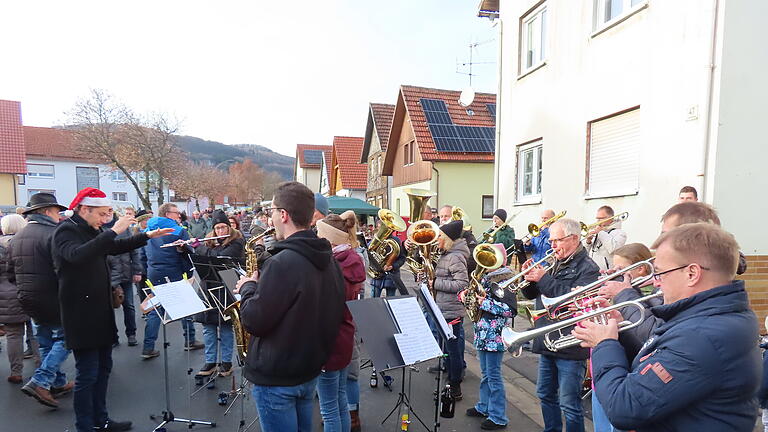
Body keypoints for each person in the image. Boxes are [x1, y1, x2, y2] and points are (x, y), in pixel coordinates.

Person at [573, 223, 760, 431]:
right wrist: (619, 329)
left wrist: (604, 344)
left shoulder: (700, 336)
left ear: (692, 274)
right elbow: (660, 359)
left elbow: (624, 407)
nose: (656, 282)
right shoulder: (710, 316)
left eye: (661, 273)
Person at [53, 187, 173, 432]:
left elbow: (114, 247)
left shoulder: (92, 230)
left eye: (109, 214)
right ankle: (85, 426)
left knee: (104, 368)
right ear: (84, 209)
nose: (106, 220)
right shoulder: (66, 230)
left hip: (100, 310)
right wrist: (112, 232)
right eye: (102, 214)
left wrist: (147, 235)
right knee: (87, 374)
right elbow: (76, 256)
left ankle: (101, 420)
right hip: (80, 314)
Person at [236, 182, 346, 432]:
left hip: (277, 378)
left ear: (283, 214)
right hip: (308, 373)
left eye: (273, 211)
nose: (271, 217)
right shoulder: (330, 260)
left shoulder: (282, 264)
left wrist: (248, 288)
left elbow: (254, 321)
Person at [520, 218, 601, 432]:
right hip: (549, 339)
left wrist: (544, 278)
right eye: (551, 241)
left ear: (574, 238)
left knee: (570, 404)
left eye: (557, 240)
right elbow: (533, 294)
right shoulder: (555, 263)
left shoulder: (589, 268)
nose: (552, 246)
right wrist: (530, 278)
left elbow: (576, 301)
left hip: (571, 344)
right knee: (545, 394)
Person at [13, 193, 73, 407]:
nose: (60, 215)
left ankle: (57, 382)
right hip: (53, 296)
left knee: (46, 340)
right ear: (47, 211)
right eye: (58, 211)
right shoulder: (55, 234)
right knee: (69, 337)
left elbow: (12, 272)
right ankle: (40, 381)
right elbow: (63, 270)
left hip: (28, 298)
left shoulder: (18, 236)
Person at [315, 212, 366, 432]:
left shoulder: (332, 266)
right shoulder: (353, 260)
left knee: (329, 410)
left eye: (318, 233)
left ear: (329, 239)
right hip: (345, 336)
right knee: (340, 403)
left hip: (328, 341)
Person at [144, 203, 202, 353]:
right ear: (168, 214)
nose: (179, 216)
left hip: (154, 272)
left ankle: (148, 346)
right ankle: (190, 339)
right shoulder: (178, 230)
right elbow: (187, 253)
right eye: (176, 213)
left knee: (156, 308)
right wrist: (189, 272)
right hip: (173, 272)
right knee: (185, 304)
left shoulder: (146, 231)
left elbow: (142, 255)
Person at [193, 210, 244, 377]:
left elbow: (218, 257)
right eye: (217, 228)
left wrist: (197, 247)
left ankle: (226, 362)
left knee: (226, 327)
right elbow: (202, 256)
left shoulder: (236, 243)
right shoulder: (209, 243)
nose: (221, 231)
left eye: (223, 227)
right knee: (208, 327)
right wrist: (184, 247)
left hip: (227, 286)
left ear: (229, 228)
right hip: (208, 287)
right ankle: (210, 362)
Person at [461, 273, 516, 430]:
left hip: (495, 337)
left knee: (493, 376)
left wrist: (485, 303)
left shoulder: (506, 282)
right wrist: (465, 296)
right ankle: (484, 407)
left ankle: (498, 417)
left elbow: (510, 311)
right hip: (482, 334)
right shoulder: (484, 278)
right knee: (486, 374)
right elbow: (473, 299)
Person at [432, 219, 470, 400]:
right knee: (447, 348)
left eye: (440, 236)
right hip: (443, 308)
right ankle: (450, 379)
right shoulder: (447, 254)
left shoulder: (455, 257)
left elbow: (462, 284)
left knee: (453, 350)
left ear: (447, 239)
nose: (437, 239)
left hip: (452, 310)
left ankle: (455, 385)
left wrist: (435, 283)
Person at [0, 214, 40, 385]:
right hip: (30, 291)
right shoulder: (27, 243)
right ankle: (41, 368)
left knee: (13, 335)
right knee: (35, 331)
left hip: (5, 295)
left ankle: (16, 371)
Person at [107, 207, 142, 347]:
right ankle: (113, 336)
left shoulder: (123, 227)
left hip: (125, 272)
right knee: (108, 308)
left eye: (109, 212)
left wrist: (137, 271)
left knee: (129, 305)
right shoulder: (97, 229)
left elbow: (134, 250)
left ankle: (131, 334)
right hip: (108, 276)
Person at [369, 222, 407, 298]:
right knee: (373, 303)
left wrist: (392, 266)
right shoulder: (375, 240)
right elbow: (368, 253)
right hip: (377, 276)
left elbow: (402, 258)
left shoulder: (396, 241)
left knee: (391, 302)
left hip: (392, 276)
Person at [585, 205, 627, 271]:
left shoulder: (620, 233)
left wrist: (600, 232)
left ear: (611, 218)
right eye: (597, 218)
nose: (598, 221)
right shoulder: (599, 231)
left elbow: (613, 249)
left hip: (608, 273)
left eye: (601, 218)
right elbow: (585, 253)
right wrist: (588, 242)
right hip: (592, 271)